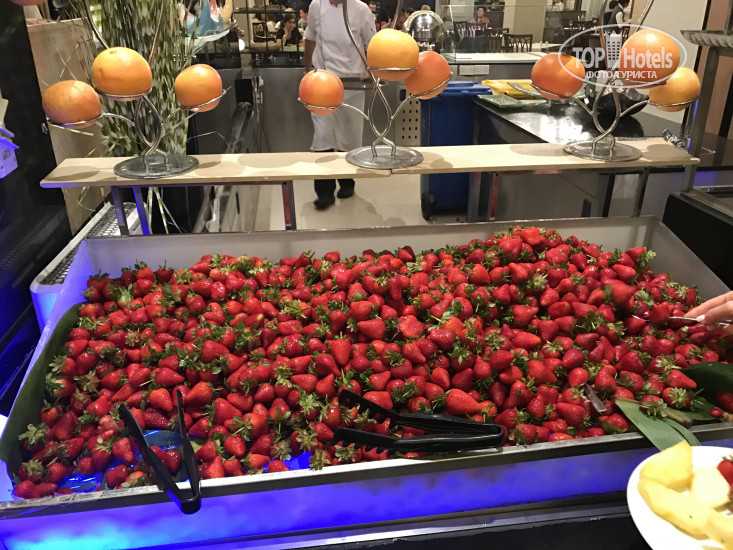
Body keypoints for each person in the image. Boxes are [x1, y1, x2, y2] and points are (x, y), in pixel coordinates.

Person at [304, 0, 376, 210]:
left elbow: (373, 44)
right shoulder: (316, 6)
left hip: (352, 82)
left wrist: (370, 68)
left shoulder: (361, 9)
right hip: (323, 82)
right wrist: (307, 70)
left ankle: (347, 182)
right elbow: (310, 37)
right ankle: (324, 191)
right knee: (322, 135)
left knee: (349, 135)